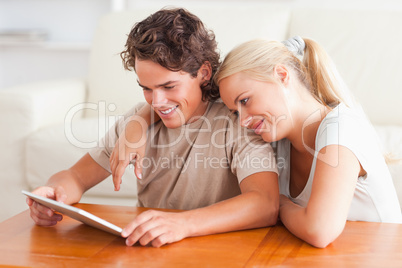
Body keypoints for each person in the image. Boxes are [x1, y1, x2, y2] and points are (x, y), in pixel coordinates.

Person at [26, 8, 280, 248]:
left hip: (222, 249)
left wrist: (183, 224)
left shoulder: (239, 120)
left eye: (169, 87)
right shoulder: (136, 123)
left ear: (203, 72)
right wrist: (54, 193)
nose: (156, 102)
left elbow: (265, 203)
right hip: (151, 248)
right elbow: (76, 177)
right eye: (146, 88)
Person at [214, 36, 402, 248]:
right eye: (236, 113)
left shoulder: (341, 129)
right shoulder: (279, 144)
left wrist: (278, 203)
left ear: (282, 75)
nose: (244, 121)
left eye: (245, 100)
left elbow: (319, 230)